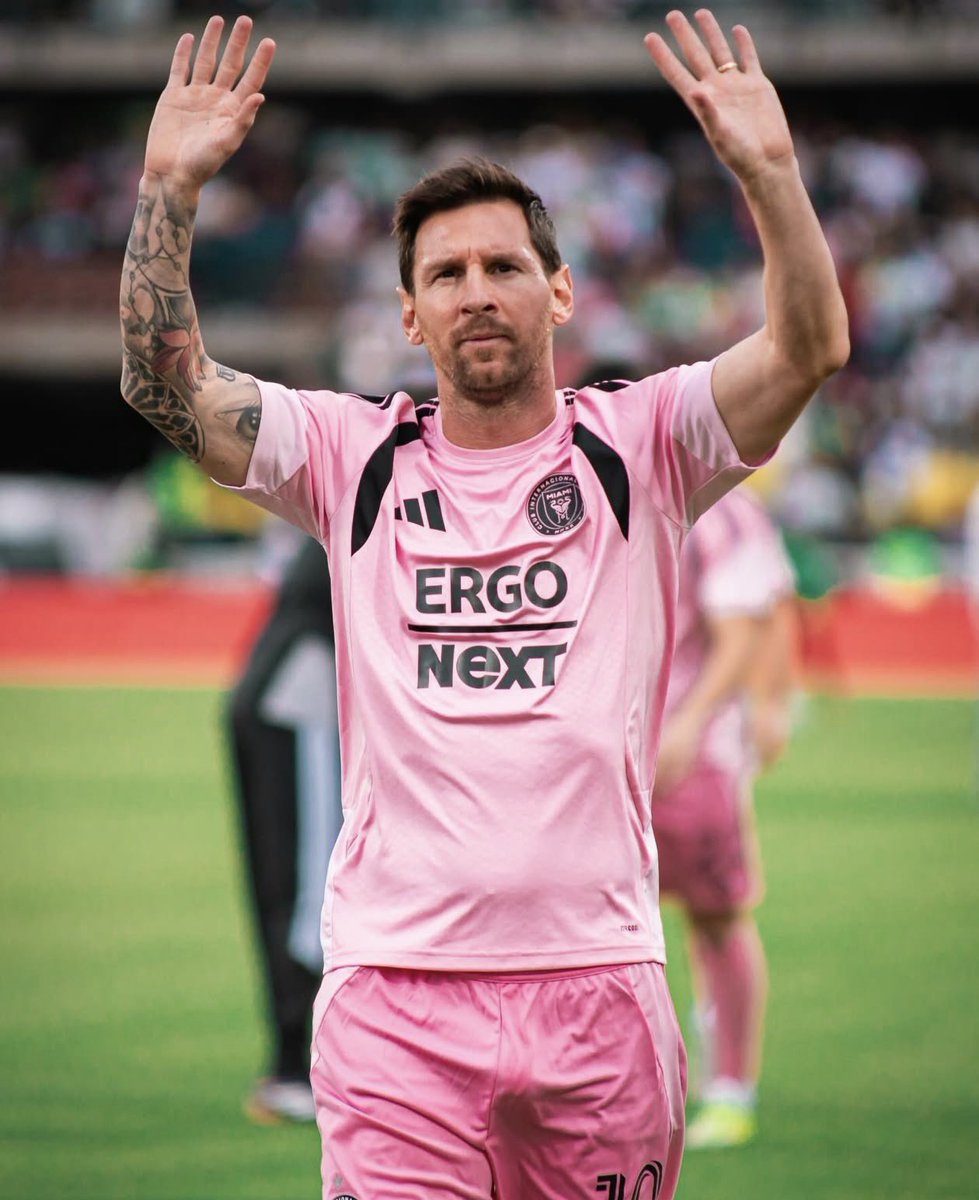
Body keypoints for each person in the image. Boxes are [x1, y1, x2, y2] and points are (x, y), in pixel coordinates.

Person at [118, 10, 849, 1197]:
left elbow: (809, 348)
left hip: (600, 986)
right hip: (395, 998)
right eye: (445, 275)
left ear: (558, 293)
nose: (476, 293)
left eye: (504, 267)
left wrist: (768, 172)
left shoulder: (644, 444)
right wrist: (168, 191)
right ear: (410, 316)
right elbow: (162, 384)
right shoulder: (350, 457)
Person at [650, 486, 797, 1150]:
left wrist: (704, 719)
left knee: (714, 914)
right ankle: (636, 1082)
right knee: (600, 925)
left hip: (691, 754)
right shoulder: (601, 484)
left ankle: (729, 1087)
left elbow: (756, 621)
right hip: (604, 752)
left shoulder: (724, 509)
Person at [227, 534, 341, 1124]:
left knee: (297, 883)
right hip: (303, 696)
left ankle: (299, 1062)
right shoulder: (378, 497)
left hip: (289, 689)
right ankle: (297, 1064)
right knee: (307, 891)